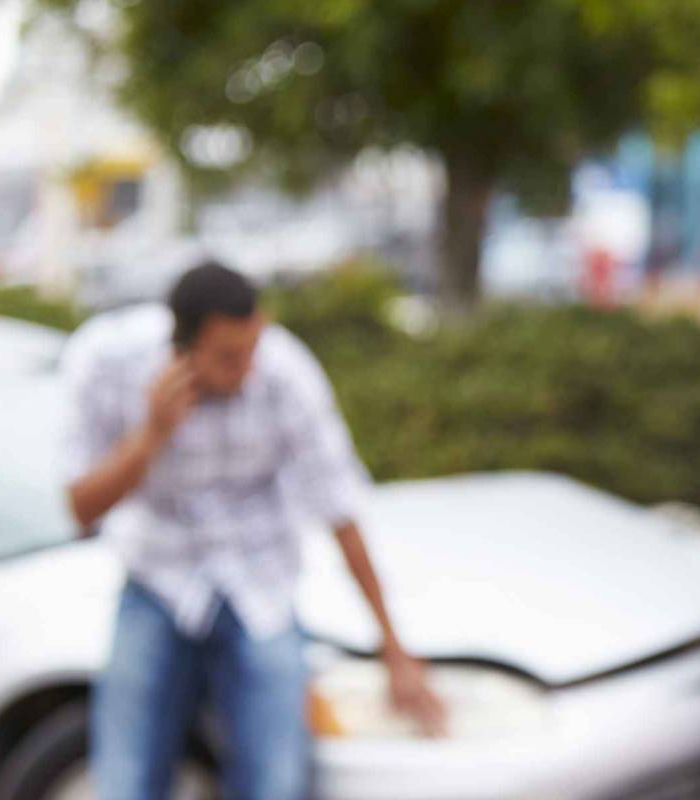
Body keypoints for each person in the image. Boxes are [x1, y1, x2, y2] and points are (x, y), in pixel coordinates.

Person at [64, 262, 447, 799]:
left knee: (278, 778)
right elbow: (81, 508)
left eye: (252, 348)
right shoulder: (109, 363)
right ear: (183, 348)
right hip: (158, 577)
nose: (246, 367)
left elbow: (338, 505)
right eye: (227, 357)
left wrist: (394, 647)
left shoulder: (285, 372)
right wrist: (151, 435)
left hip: (259, 581)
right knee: (125, 777)